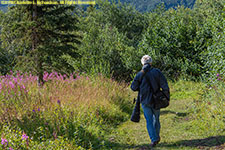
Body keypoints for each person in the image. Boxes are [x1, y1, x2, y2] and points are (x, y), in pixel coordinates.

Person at [131, 55, 170, 147]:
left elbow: (133, 87)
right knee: (156, 119)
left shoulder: (140, 74)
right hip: (157, 100)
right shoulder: (157, 72)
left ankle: (154, 139)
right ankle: (156, 137)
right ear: (151, 63)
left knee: (149, 120)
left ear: (142, 63)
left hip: (144, 100)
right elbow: (165, 86)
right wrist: (166, 97)